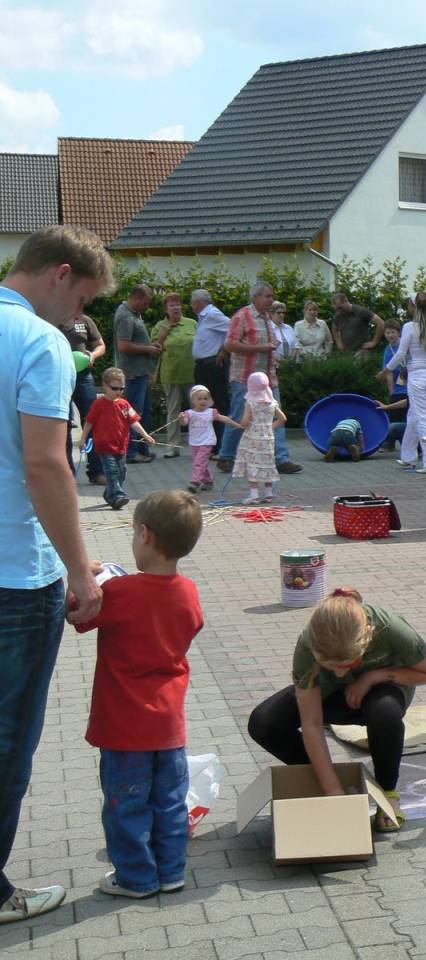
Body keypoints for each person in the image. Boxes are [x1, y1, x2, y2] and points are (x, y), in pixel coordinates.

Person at [0, 224, 112, 925]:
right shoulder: (41, 343)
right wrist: (81, 570)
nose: (80, 318)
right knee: (8, 737)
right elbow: (46, 463)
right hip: (14, 573)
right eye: (82, 302)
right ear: (60, 274)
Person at [73, 490, 204, 897]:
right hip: (168, 725)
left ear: (144, 535)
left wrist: (84, 578)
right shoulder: (189, 591)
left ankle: (136, 878)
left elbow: (77, 615)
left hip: (124, 724)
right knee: (168, 802)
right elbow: (192, 624)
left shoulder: (121, 593)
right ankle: (171, 871)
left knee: (126, 807)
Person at [247, 588, 426, 832]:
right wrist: (333, 790)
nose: (340, 672)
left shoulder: (388, 626)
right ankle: (327, 779)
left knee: (385, 714)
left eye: (348, 663)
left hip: (382, 691)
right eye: (330, 666)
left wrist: (374, 676)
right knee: (264, 722)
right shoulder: (308, 643)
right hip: (332, 696)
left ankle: (387, 792)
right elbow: (312, 723)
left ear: (365, 639)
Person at [216, 281, 300, 474]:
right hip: (244, 378)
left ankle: (281, 458)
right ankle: (226, 456)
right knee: (238, 415)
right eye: (268, 296)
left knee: (274, 414)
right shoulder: (242, 315)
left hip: (268, 379)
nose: (271, 300)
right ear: (256, 297)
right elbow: (229, 345)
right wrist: (260, 349)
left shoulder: (266, 317)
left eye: (272, 296)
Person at [383, 293, 426, 474]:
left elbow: (401, 354)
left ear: (414, 307)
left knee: (421, 418)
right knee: (413, 415)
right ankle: (408, 456)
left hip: (416, 376)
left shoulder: (410, 327)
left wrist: (386, 370)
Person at [82, 367, 157, 510]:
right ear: (105, 386)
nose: (118, 392)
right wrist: (83, 439)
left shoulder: (124, 404)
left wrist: (146, 435)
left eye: (121, 388)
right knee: (112, 471)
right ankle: (117, 496)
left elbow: (134, 421)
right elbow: (89, 422)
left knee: (121, 473)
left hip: (121, 446)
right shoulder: (99, 404)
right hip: (104, 446)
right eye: (115, 388)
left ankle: (109, 493)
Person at [55, 311, 106, 481]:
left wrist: (93, 355)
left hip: (84, 376)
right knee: (64, 424)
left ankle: (96, 471)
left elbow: (100, 345)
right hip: (58, 376)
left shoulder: (85, 320)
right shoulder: (50, 316)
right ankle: (68, 472)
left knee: (92, 421)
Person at [113, 283, 159, 463]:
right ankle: (131, 452)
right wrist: (148, 349)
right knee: (133, 414)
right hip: (132, 374)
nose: (147, 307)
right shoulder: (125, 316)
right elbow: (123, 345)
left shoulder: (134, 314)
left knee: (143, 413)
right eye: (146, 303)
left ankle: (142, 448)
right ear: (136, 298)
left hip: (140, 373)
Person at [227, 371, 285, 504]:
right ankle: (269, 493)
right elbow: (282, 419)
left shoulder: (250, 403)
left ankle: (254, 494)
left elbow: (245, 422)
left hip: (252, 438)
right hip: (268, 438)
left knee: (253, 464)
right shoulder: (272, 403)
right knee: (267, 462)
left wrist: (239, 424)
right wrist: (270, 427)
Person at [151, 292, 198, 459]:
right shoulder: (160, 326)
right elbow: (155, 348)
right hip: (170, 375)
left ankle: (198, 445)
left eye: (178, 304)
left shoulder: (192, 323)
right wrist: (165, 330)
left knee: (197, 411)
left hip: (191, 374)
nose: (176, 307)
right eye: (172, 305)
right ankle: (172, 447)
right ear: (166, 309)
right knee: (173, 411)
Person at [190, 289, 232, 447]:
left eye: (193, 303)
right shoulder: (204, 316)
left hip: (212, 365)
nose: (192, 307)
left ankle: (222, 444)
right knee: (206, 404)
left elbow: (233, 328)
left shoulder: (212, 314)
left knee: (217, 403)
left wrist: (224, 350)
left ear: (199, 303)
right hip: (204, 365)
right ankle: (213, 443)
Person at [180, 386, 224, 493]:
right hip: (195, 442)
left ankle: (195, 482)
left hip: (207, 441)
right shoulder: (189, 413)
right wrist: (181, 418)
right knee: (201, 462)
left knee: (199, 462)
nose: (203, 401)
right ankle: (208, 481)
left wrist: (236, 424)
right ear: (192, 400)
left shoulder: (210, 412)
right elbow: (184, 422)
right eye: (199, 399)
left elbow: (222, 418)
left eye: (205, 398)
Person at [379, 320, 410, 449]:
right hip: (398, 388)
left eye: (393, 332)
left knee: (408, 416)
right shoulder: (388, 350)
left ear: (399, 333)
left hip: (410, 385)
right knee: (394, 416)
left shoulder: (406, 345)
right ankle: (390, 442)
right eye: (387, 333)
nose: (390, 335)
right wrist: (391, 391)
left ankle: (407, 441)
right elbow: (388, 372)